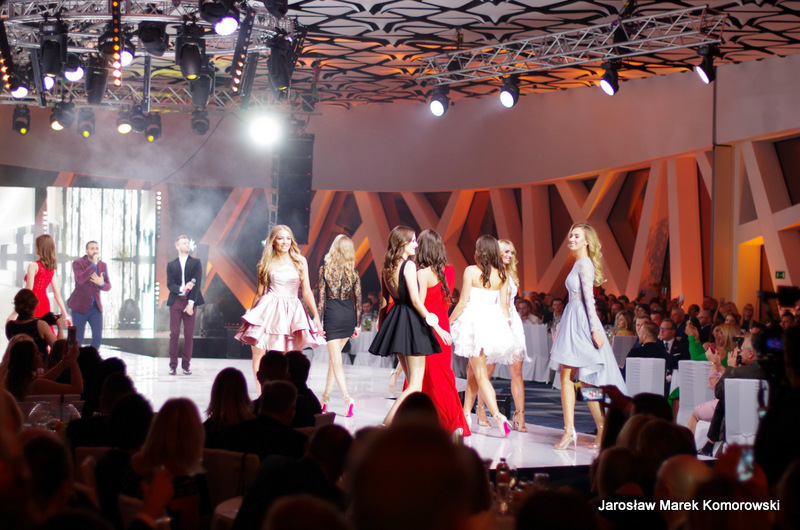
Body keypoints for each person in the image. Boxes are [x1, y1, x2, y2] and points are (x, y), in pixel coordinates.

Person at [549, 223, 627, 450]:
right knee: (568, 377)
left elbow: (589, 299)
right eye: (571, 235)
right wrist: (562, 325)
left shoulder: (585, 264)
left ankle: (601, 427)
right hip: (572, 319)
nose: (571, 238)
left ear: (586, 241)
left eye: (576, 236)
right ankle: (570, 430)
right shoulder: (578, 263)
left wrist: (594, 329)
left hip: (581, 322)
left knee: (585, 379)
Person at [368, 226, 451, 426]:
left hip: (396, 322)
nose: (416, 244)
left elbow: (384, 302)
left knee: (412, 383)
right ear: (402, 243)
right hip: (412, 323)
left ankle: (407, 424)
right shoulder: (409, 266)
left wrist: (383, 326)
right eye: (412, 240)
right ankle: (386, 425)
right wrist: (437, 327)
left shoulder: (387, 267)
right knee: (415, 385)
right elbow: (415, 300)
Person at [235, 225, 325, 386]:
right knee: (259, 353)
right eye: (280, 238)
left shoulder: (300, 261)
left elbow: (307, 291)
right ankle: (262, 394)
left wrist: (316, 316)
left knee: (289, 355)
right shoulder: (265, 263)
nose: (285, 242)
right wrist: (250, 318)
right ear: (273, 241)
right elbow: (259, 293)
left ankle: (284, 392)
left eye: (288, 238)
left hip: (292, 310)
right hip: (269, 308)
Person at [450, 234, 514, 437]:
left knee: (480, 374)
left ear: (480, 251)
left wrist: (448, 322)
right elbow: (504, 306)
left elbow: (462, 302)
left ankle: (498, 415)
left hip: (474, 323)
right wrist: (506, 328)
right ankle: (466, 415)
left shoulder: (471, 271)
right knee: (472, 371)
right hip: (492, 323)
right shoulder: (502, 274)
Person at [415, 229, 470, 436]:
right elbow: (443, 301)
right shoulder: (450, 271)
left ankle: (434, 422)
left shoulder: (422, 273)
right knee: (444, 377)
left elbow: (420, 305)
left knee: (424, 378)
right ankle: (452, 422)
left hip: (428, 329)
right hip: (444, 328)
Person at [317, 234, 361, 418]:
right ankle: (325, 398)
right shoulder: (353, 272)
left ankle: (347, 399)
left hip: (333, 315)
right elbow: (358, 301)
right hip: (348, 315)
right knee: (333, 360)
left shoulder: (325, 270)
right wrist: (357, 325)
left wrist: (319, 323)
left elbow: (321, 300)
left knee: (336, 361)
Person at [166, 235, 204, 376]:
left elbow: (197, 284)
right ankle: (173, 366)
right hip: (176, 301)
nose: (187, 244)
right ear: (177, 246)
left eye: (188, 242)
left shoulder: (196, 263)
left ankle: (186, 366)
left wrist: (191, 303)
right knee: (174, 334)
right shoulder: (171, 265)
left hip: (190, 301)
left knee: (189, 335)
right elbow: (170, 285)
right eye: (184, 243)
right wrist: (182, 288)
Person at [13, 235, 69, 323]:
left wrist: (14, 313)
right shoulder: (51, 269)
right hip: (44, 302)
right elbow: (57, 294)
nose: (35, 248)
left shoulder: (33, 266)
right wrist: (66, 315)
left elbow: (28, 291)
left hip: (32, 303)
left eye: (36, 245)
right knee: (44, 328)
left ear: (41, 248)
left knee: (30, 327)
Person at [68, 240, 111, 350]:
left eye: (97, 248)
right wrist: (93, 265)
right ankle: (76, 359)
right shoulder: (78, 263)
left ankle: (91, 358)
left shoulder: (103, 265)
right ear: (86, 251)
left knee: (97, 338)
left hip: (95, 307)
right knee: (78, 339)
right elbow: (80, 279)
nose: (95, 251)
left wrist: (102, 284)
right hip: (79, 307)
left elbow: (108, 286)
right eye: (92, 248)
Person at [6, 288, 64, 358]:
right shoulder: (40, 325)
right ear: (35, 306)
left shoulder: (10, 326)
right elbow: (59, 349)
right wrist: (60, 326)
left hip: (16, 364)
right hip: (38, 364)